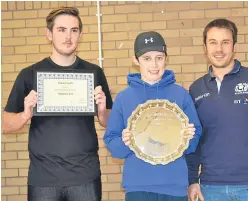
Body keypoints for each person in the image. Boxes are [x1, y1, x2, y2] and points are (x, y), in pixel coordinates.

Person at [2, 7, 112, 201]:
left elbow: (108, 122)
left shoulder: (94, 73)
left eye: (74, 30)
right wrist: (25, 115)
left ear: (81, 34)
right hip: (43, 178)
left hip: (85, 176)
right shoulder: (29, 74)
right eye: (61, 30)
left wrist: (102, 111)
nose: (68, 36)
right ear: (49, 34)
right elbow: (6, 124)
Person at [186, 18, 248, 201]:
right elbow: (194, 138)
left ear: (234, 46)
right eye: (213, 42)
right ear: (205, 47)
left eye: (225, 42)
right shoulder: (196, 89)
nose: (219, 49)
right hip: (210, 187)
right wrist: (192, 179)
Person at [103, 31, 202, 201]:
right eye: (147, 58)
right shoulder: (123, 98)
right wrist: (126, 142)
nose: (154, 65)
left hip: (174, 186)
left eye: (159, 57)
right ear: (136, 60)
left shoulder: (180, 95)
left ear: (166, 58)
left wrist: (189, 137)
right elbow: (112, 143)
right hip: (138, 186)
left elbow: (194, 140)